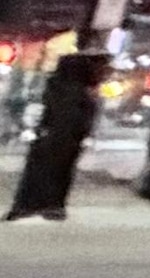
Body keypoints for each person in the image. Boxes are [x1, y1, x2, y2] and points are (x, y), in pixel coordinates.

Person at [11, 42, 106, 222]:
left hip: (55, 138)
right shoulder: (74, 91)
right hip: (62, 140)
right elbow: (74, 117)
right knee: (56, 172)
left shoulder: (60, 86)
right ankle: (48, 204)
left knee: (48, 171)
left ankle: (34, 205)